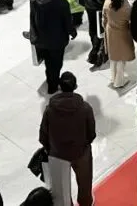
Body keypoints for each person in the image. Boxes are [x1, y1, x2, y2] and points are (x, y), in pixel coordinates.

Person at [39, 71, 96, 206]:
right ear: (75, 86)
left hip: (57, 154)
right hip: (80, 152)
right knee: (84, 182)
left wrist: (50, 149)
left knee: (61, 190)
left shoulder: (49, 110)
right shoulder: (85, 108)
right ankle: (85, 201)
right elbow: (91, 133)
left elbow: (43, 134)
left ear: (60, 87)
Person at [28, 0, 73, 93]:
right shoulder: (62, 3)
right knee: (57, 64)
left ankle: (50, 80)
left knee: (48, 62)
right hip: (57, 41)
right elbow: (67, 23)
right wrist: (72, 32)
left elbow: (32, 17)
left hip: (41, 39)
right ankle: (53, 86)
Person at [104, 0, 136, 88]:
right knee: (121, 59)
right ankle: (119, 82)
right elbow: (131, 21)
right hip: (122, 34)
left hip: (110, 31)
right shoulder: (127, 8)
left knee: (113, 56)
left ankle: (113, 78)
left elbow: (104, 17)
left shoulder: (107, 1)